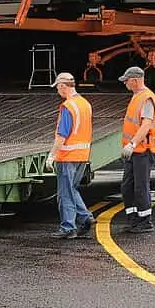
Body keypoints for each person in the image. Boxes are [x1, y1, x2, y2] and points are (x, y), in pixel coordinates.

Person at [46, 72, 94, 240]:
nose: (57, 91)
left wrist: (52, 155)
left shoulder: (68, 106)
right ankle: (85, 217)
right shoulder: (85, 104)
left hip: (67, 156)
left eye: (57, 88)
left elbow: (62, 135)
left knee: (65, 193)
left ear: (63, 86)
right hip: (82, 154)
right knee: (72, 189)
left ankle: (68, 227)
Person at [117, 66, 155, 234]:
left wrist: (133, 143)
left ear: (135, 80)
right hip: (135, 151)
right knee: (128, 185)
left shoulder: (146, 98)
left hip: (143, 149)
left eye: (126, 81)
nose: (125, 84)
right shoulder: (138, 96)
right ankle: (134, 218)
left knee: (140, 186)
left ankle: (145, 221)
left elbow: (146, 125)